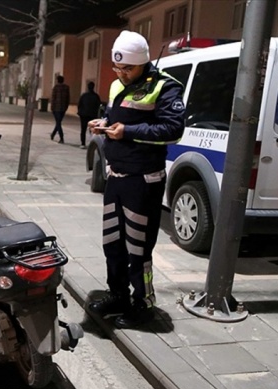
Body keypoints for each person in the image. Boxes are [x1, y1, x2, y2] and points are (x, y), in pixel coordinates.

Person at [87, 30, 185, 329]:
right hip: (116, 178)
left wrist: (127, 132)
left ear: (143, 62)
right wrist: (103, 124)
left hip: (143, 181)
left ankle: (143, 306)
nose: (121, 74)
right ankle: (118, 295)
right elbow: (120, 117)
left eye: (127, 68)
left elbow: (173, 129)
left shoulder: (165, 87)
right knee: (112, 243)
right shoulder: (119, 84)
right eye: (117, 68)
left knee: (138, 249)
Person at [77, 81, 102, 149]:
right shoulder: (96, 96)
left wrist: (79, 112)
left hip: (83, 114)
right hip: (92, 115)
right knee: (92, 130)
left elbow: (79, 104)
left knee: (83, 129)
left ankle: (83, 143)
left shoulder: (84, 95)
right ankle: (92, 143)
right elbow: (98, 105)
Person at [50, 75, 70, 143]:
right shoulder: (66, 88)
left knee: (58, 123)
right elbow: (68, 98)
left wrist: (52, 107)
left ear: (57, 80)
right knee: (58, 122)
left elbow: (53, 98)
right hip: (63, 108)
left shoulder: (55, 87)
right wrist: (66, 106)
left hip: (56, 108)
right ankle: (53, 134)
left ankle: (61, 138)